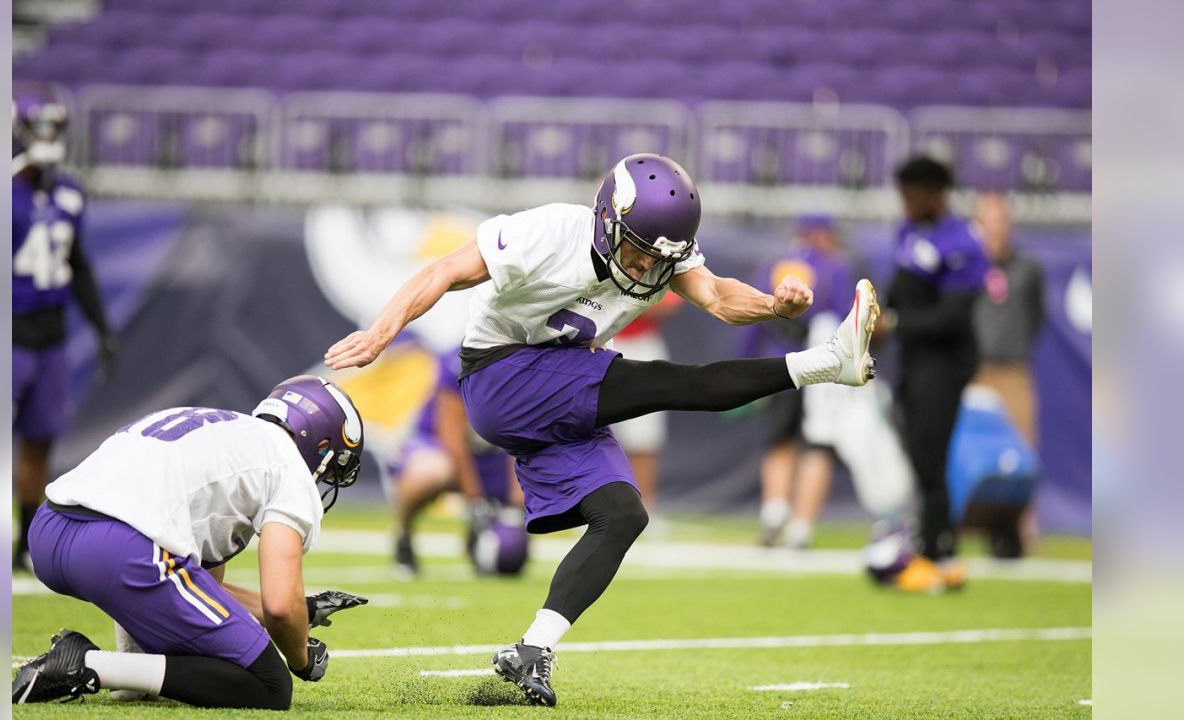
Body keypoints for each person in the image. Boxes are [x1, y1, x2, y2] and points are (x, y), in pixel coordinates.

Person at [324, 153, 879, 706]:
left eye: (656, 257)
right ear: (608, 218)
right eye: (636, 250)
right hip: (502, 373)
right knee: (672, 383)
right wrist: (380, 334)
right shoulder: (548, 231)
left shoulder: (660, 248)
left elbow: (714, 295)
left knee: (621, 515)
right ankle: (829, 363)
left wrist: (772, 306)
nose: (642, 269)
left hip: (559, 379)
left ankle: (532, 649)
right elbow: (441, 271)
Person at [11, 376, 369, 708]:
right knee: (270, 684)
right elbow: (279, 607)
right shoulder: (286, 464)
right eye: (333, 464)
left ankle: (132, 670)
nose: (324, 478)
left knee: (196, 635)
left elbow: (199, 589)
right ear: (321, 444)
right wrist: (301, 658)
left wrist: (300, 610)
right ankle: (88, 664)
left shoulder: (219, 427)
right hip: (120, 553)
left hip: (50, 530)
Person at [12, 84, 117, 571]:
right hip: (5, 331)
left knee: (40, 437)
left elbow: (79, 263)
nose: (49, 136)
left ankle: (25, 538)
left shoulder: (69, 192)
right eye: (41, 127)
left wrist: (101, 328)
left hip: (51, 335)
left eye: (55, 127)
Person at [879, 156, 989, 593]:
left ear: (935, 194)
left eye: (912, 194)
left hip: (945, 361)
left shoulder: (963, 242)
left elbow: (955, 316)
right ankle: (932, 549)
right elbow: (901, 291)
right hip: (913, 358)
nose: (905, 203)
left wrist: (897, 324)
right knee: (918, 455)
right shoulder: (910, 231)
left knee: (931, 456)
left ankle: (939, 554)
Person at [741, 214, 855, 549]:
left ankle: (774, 513)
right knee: (818, 446)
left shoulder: (775, 265)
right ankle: (801, 526)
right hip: (824, 369)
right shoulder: (834, 268)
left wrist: (748, 368)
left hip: (782, 366)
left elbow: (754, 316)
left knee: (780, 442)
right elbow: (845, 320)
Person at [393, 347, 520, 578]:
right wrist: (476, 500)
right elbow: (453, 437)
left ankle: (487, 536)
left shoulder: (524, 357)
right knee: (431, 472)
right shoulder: (461, 358)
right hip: (439, 445)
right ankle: (403, 536)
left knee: (533, 483)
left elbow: (521, 430)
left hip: (493, 452)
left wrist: (516, 504)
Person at [971, 192, 1045, 557]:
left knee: (1023, 447)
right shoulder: (966, 266)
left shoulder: (1027, 269)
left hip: (1012, 370)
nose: (995, 229)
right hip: (972, 370)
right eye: (988, 221)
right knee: (966, 446)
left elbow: (1035, 316)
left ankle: (1023, 525)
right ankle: (963, 524)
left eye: (1001, 220)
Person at [608, 293, 681, 512]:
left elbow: (669, 304)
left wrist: (621, 297)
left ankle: (644, 507)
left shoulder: (656, 260)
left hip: (642, 345)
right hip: (601, 340)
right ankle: (589, 509)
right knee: (590, 433)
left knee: (644, 436)